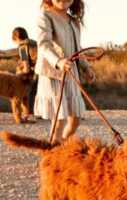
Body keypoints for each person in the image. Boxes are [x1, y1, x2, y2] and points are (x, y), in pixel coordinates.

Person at [34, 0, 87, 144]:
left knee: (76, 119)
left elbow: (77, 48)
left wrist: (85, 67)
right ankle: (53, 154)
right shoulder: (45, 16)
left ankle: (61, 147)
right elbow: (44, 44)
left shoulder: (74, 21)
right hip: (53, 73)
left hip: (71, 72)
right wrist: (58, 61)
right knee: (60, 120)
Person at [12, 27, 38, 114]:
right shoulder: (34, 43)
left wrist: (18, 75)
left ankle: (29, 114)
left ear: (16, 38)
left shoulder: (23, 47)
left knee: (28, 93)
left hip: (36, 72)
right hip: (45, 70)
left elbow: (26, 67)